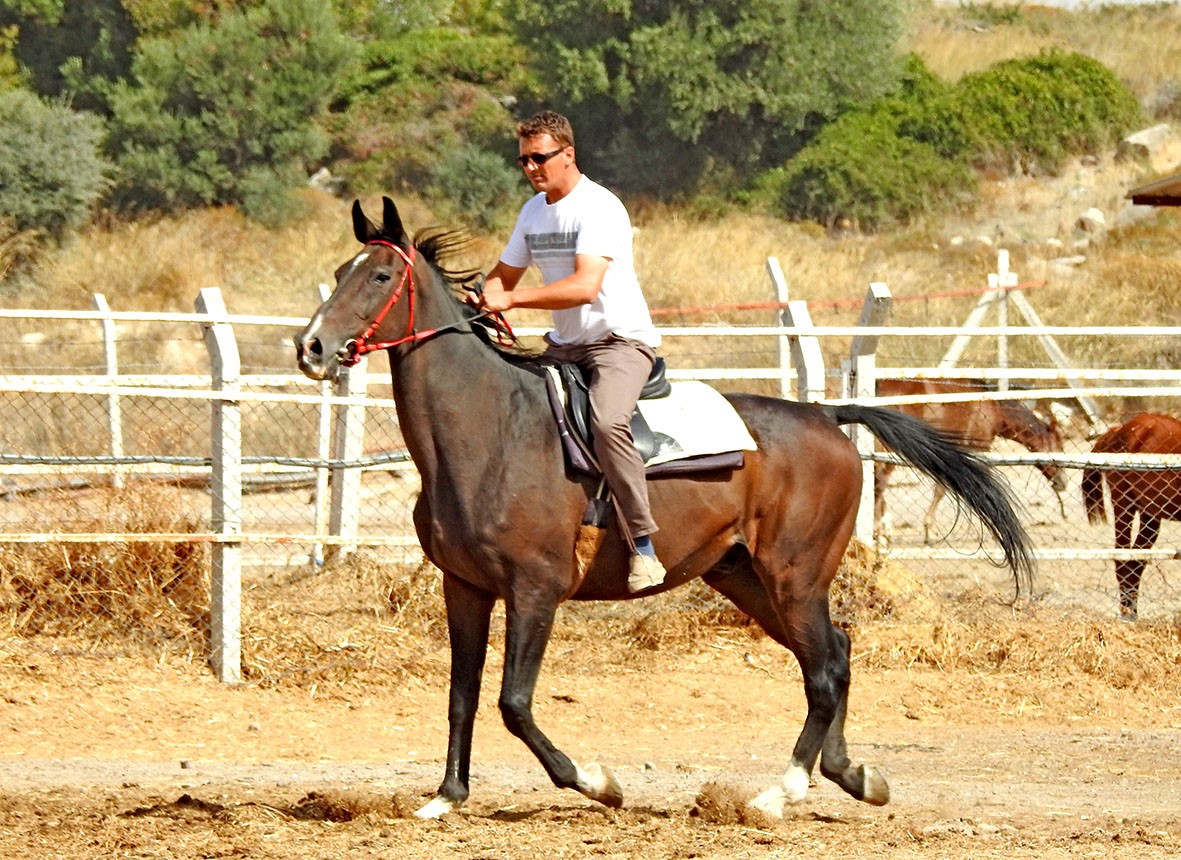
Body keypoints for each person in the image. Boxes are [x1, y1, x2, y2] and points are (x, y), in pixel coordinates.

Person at [470, 110, 666, 593]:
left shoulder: (599, 207)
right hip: (565, 347)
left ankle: (643, 544)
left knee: (605, 422)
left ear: (568, 154)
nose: (532, 168)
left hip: (618, 343)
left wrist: (511, 299)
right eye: (523, 161)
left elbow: (583, 286)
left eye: (540, 158)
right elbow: (503, 276)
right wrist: (480, 299)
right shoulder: (533, 210)